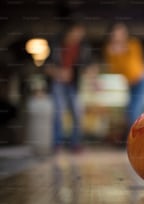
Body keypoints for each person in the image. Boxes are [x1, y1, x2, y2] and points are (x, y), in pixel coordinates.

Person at [45, 22, 91, 152]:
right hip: (57, 83)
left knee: (77, 113)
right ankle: (56, 144)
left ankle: (75, 144)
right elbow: (46, 67)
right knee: (58, 112)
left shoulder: (83, 47)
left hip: (73, 84)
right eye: (76, 32)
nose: (78, 36)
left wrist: (90, 73)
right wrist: (59, 73)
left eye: (81, 34)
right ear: (68, 31)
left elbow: (88, 65)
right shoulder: (55, 43)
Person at [104, 23, 144, 141]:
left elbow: (132, 65)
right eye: (116, 32)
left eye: (122, 32)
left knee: (134, 112)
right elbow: (114, 69)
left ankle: (138, 140)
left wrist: (120, 52)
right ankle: (137, 140)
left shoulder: (133, 44)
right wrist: (114, 54)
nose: (119, 35)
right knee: (131, 112)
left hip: (142, 81)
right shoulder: (110, 49)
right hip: (131, 84)